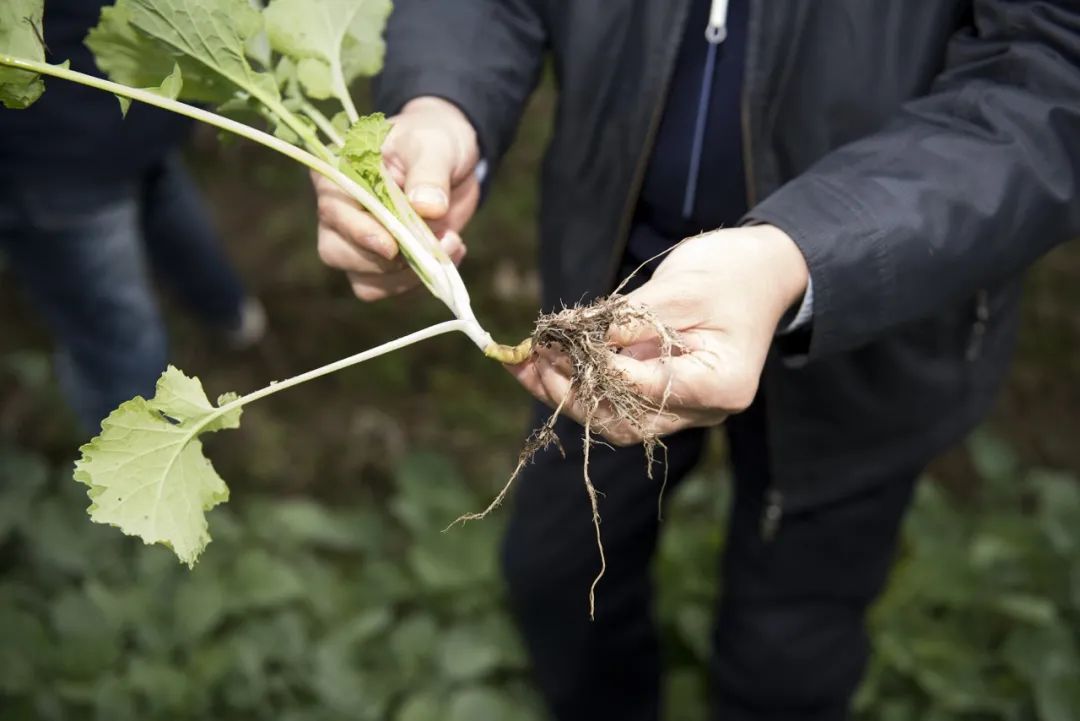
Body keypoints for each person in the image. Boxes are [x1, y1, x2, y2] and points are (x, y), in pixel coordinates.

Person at [313, 1, 1080, 719]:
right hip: (618, 292)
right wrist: (443, 103)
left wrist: (802, 257)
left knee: (788, 652)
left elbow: (1050, 69)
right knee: (557, 576)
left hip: (872, 306)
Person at [0, 0, 265, 433]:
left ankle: (229, 319)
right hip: (84, 134)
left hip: (93, 135)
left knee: (117, 334)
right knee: (121, 318)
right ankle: (230, 320)